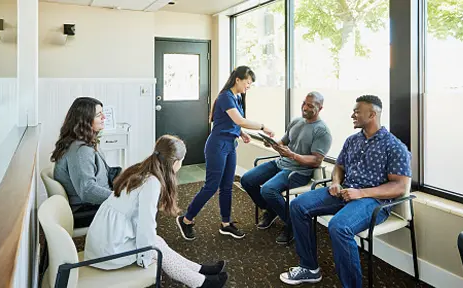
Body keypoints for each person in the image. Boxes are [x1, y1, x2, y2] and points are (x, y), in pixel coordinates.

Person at [279, 95, 412, 287]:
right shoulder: (352, 140)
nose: (352, 115)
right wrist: (335, 182)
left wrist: (362, 193)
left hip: (374, 201)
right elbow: (339, 167)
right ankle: (309, 268)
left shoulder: (394, 146)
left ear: (372, 114)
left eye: (357, 111)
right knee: (298, 205)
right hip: (344, 192)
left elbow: (399, 187)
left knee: (339, 227)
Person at [84, 135, 228, 288]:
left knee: (158, 242)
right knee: (157, 247)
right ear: (175, 162)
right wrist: (145, 258)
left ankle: (200, 270)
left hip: (104, 240)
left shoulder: (141, 169)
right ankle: (201, 283)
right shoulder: (152, 183)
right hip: (109, 252)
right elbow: (146, 225)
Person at [176, 66, 275, 240]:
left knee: (227, 186)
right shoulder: (225, 97)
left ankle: (226, 223)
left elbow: (231, 122)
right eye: (248, 82)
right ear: (238, 79)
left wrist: (241, 133)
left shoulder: (237, 97)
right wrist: (263, 126)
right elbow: (239, 120)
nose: (248, 86)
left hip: (230, 145)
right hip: (217, 146)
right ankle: (186, 219)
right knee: (212, 186)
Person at [240, 91, 332, 245]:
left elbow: (316, 160)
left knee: (268, 190)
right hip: (281, 163)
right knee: (247, 180)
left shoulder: (322, 131)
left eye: (310, 105)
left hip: (299, 171)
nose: (305, 107)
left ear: (320, 108)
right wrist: (274, 144)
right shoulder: (296, 122)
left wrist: (293, 156)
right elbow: (283, 143)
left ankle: (292, 224)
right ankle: (271, 209)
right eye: (304, 103)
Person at [51, 97, 119, 228]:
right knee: (137, 207)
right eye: (99, 115)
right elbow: (88, 190)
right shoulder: (80, 150)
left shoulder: (81, 142)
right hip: (85, 209)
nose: (104, 117)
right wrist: (119, 198)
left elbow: (101, 171)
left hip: (91, 203)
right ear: (85, 120)